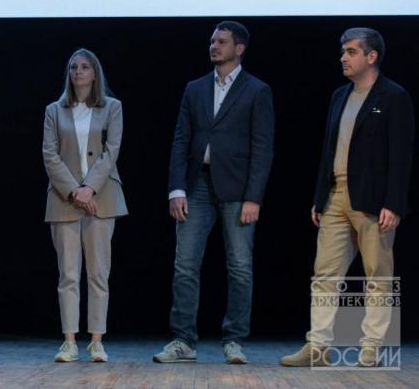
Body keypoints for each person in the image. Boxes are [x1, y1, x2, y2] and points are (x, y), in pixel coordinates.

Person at [281, 28, 414, 368]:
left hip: (374, 201)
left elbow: (401, 155)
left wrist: (394, 203)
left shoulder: (393, 96)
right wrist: (319, 197)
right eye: (343, 51)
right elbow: (328, 150)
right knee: (324, 275)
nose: (343, 57)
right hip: (335, 197)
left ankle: (372, 348)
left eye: (351, 51)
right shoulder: (339, 95)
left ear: (372, 56)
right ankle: (318, 347)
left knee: (377, 276)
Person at [154, 21, 274, 364]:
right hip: (196, 186)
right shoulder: (195, 88)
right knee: (185, 265)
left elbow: (263, 147)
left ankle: (234, 340)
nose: (214, 46)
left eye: (222, 41)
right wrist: (176, 189)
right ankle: (184, 341)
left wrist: (254, 197)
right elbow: (180, 140)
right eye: (212, 41)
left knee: (239, 267)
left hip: (238, 189)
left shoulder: (257, 90)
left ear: (239, 49)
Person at [42, 48, 128, 363]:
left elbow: (111, 150)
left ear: (95, 73)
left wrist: (89, 188)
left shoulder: (112, 107)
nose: (78, 72)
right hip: (63, 199)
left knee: (98, 273)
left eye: (84, 67)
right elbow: (49, 154)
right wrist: (74, 191)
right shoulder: (54, 110)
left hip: (101, 197)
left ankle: (96, 341)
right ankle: (69, 342)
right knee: (67, 274)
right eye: (73, 67)